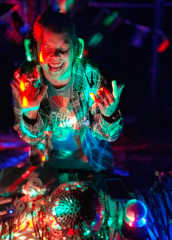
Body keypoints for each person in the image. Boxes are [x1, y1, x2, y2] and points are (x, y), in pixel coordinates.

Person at [11, 10, 124, 172]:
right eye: (47, 49)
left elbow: (108, 135)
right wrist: (30, 113)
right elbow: (31, 137)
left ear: (76, 49)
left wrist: (109, 116)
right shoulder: (25, 81)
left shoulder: (90, 76)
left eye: (62, 49)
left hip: (93, 168)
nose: (55, 56)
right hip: (46, 171)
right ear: (36, 50)